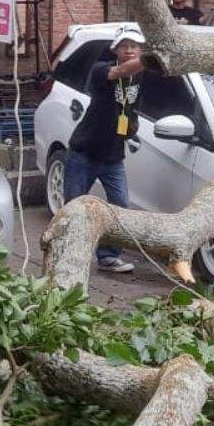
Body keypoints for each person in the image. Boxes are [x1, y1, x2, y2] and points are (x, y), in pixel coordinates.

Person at [64, 24, 147, 273]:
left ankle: (108, 256)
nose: (130, 50)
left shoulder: (140, 78)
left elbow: (132, 107)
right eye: (125, 46)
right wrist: (152, 58)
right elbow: (122, 71)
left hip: (113, 157)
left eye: (134, 46)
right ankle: (68, 257)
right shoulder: (101, 69)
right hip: (83, 153)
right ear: (116, 50)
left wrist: (133, 125)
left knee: (120, 206)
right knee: (74, 209)